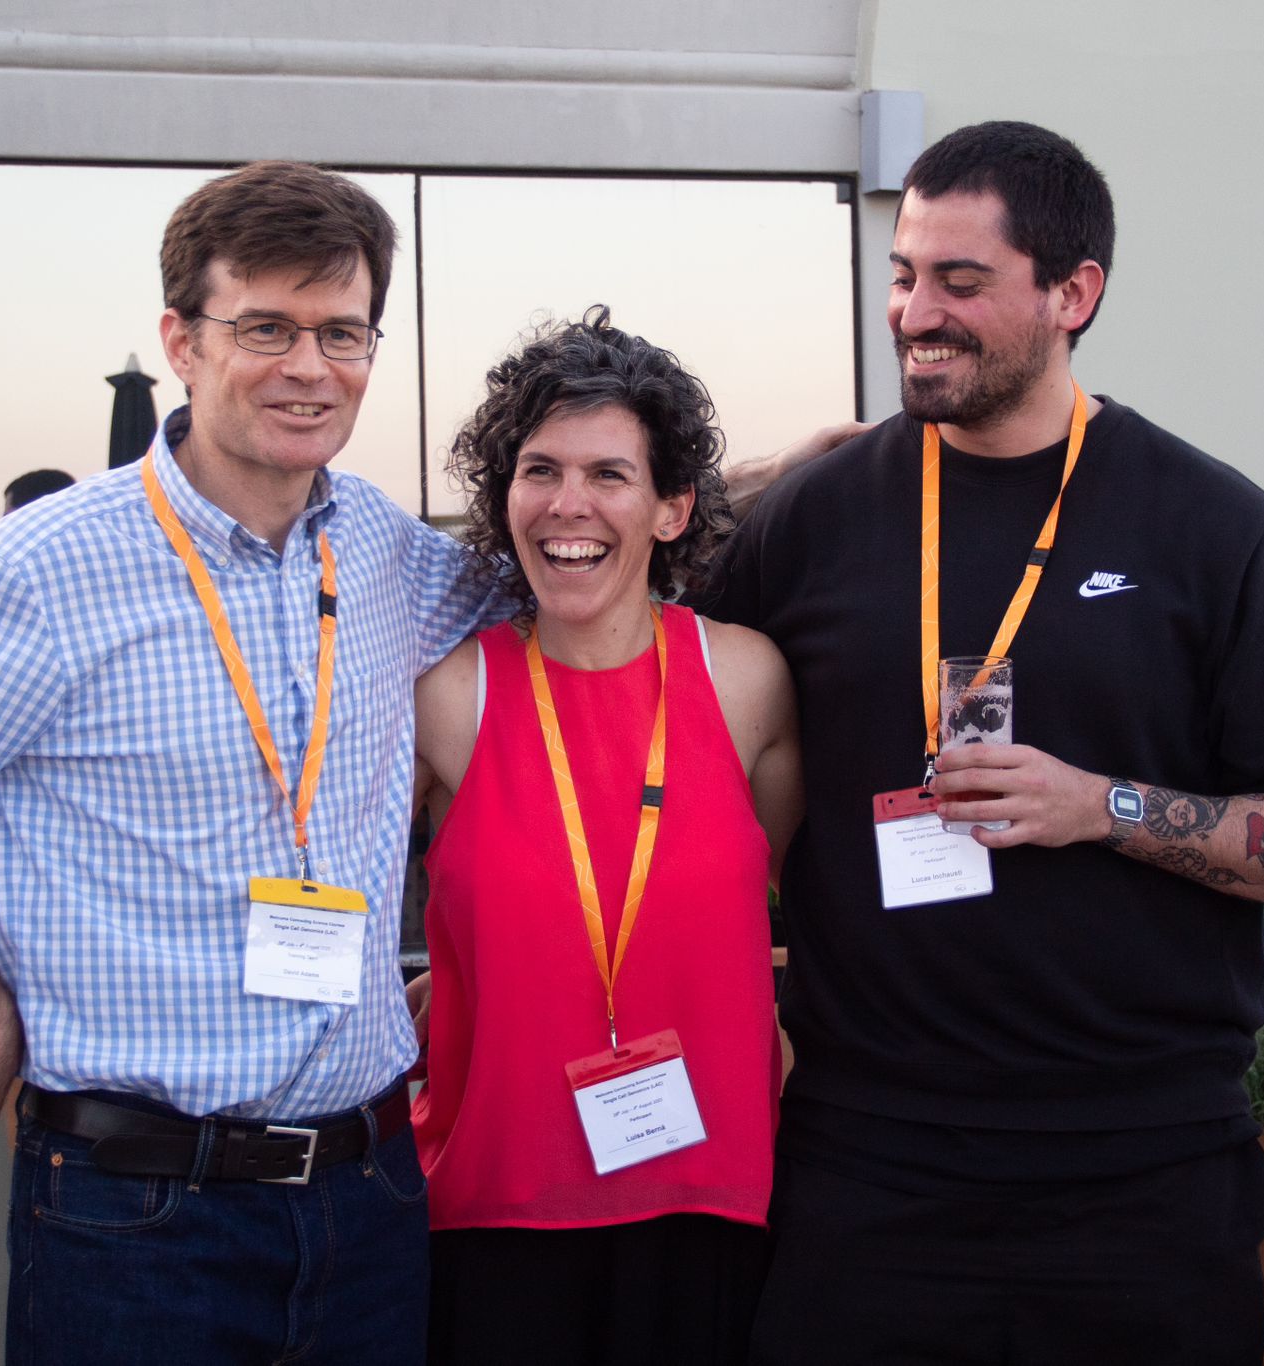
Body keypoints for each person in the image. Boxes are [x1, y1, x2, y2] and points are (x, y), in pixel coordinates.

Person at [0, 161, 843, 1364]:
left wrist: (775, 478)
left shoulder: (386, 555)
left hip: (364, 1200)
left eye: (341, 331)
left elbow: (577, 556)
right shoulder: (47, 569)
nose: (308, 366)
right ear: (181, 338)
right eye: (263, 326)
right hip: (137, 1209)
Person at [697, 121, 1264, 1365]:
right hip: (869, 1168)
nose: (914, 310)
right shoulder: (814, 514)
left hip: (1142, 1176)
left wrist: (1098, 806)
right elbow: (647, 690)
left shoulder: (1209, 525)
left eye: (959, 282)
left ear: (1075, 293)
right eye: (904, 273)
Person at [409, 309, 801, 1364]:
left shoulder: (745, 681)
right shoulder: (448, 696)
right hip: (497, 1215)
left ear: (671, 509)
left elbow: (788, 896)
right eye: (538, 469)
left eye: (608, 475)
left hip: (708, 1206)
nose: (567, 505)